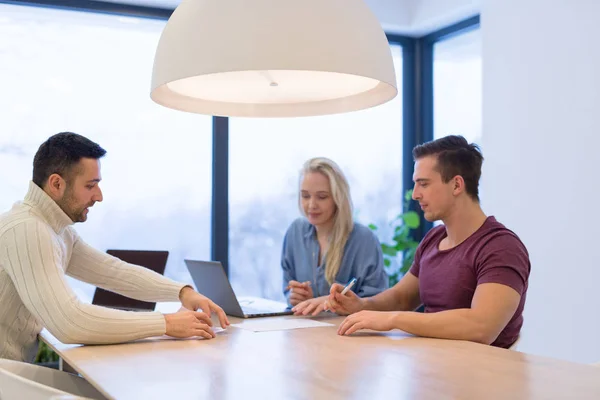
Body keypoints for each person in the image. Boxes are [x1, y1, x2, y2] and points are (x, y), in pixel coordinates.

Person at [0, 132, 230, 362]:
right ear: (56, 184)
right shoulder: (28, 229)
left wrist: (182, 292)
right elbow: (69, 322)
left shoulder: (55, 229)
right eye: (91, 186)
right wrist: (166, 323)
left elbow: (113, 272)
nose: (99, 196)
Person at [326, 135, 530, 348]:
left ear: (457, 185)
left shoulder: (501, 247)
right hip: (433, 365)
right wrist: (360, 305)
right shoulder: (434, 238)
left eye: (423, 184)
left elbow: (482, 327)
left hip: (484, 375)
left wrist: (393, 319)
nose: (415, 194)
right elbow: (402, 298)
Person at [281, 157, 388, 316]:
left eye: (322, 197)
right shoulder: (295, 232)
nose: (312, 205)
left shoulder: (363, 240)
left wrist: (330, 303)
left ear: (338, 198)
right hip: (304, 330)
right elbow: (288, 289)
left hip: (348, 334)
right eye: (305, 196)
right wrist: (297, 297)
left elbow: (377, 302)